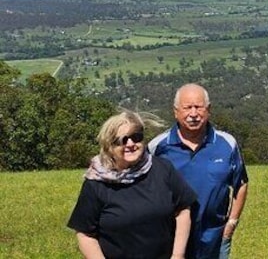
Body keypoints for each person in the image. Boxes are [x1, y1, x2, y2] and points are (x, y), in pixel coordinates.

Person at [68, 110, 197, 259]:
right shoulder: (96, 183)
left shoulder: (162, 169)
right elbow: (85, 234)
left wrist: (178, 255)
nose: (130, 144)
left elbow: (183, 210)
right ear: (109, 147)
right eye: (121, 140)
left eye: (136, 137)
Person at [148, 84, 249, 259]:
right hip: (171, 239)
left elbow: (241, 183)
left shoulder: (227, 144)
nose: (193, 114)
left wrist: (231, 223)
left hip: (215, 238)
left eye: (199, 107)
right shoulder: (158, 147)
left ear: (208, 110)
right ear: (176, 111)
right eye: (187, 108)